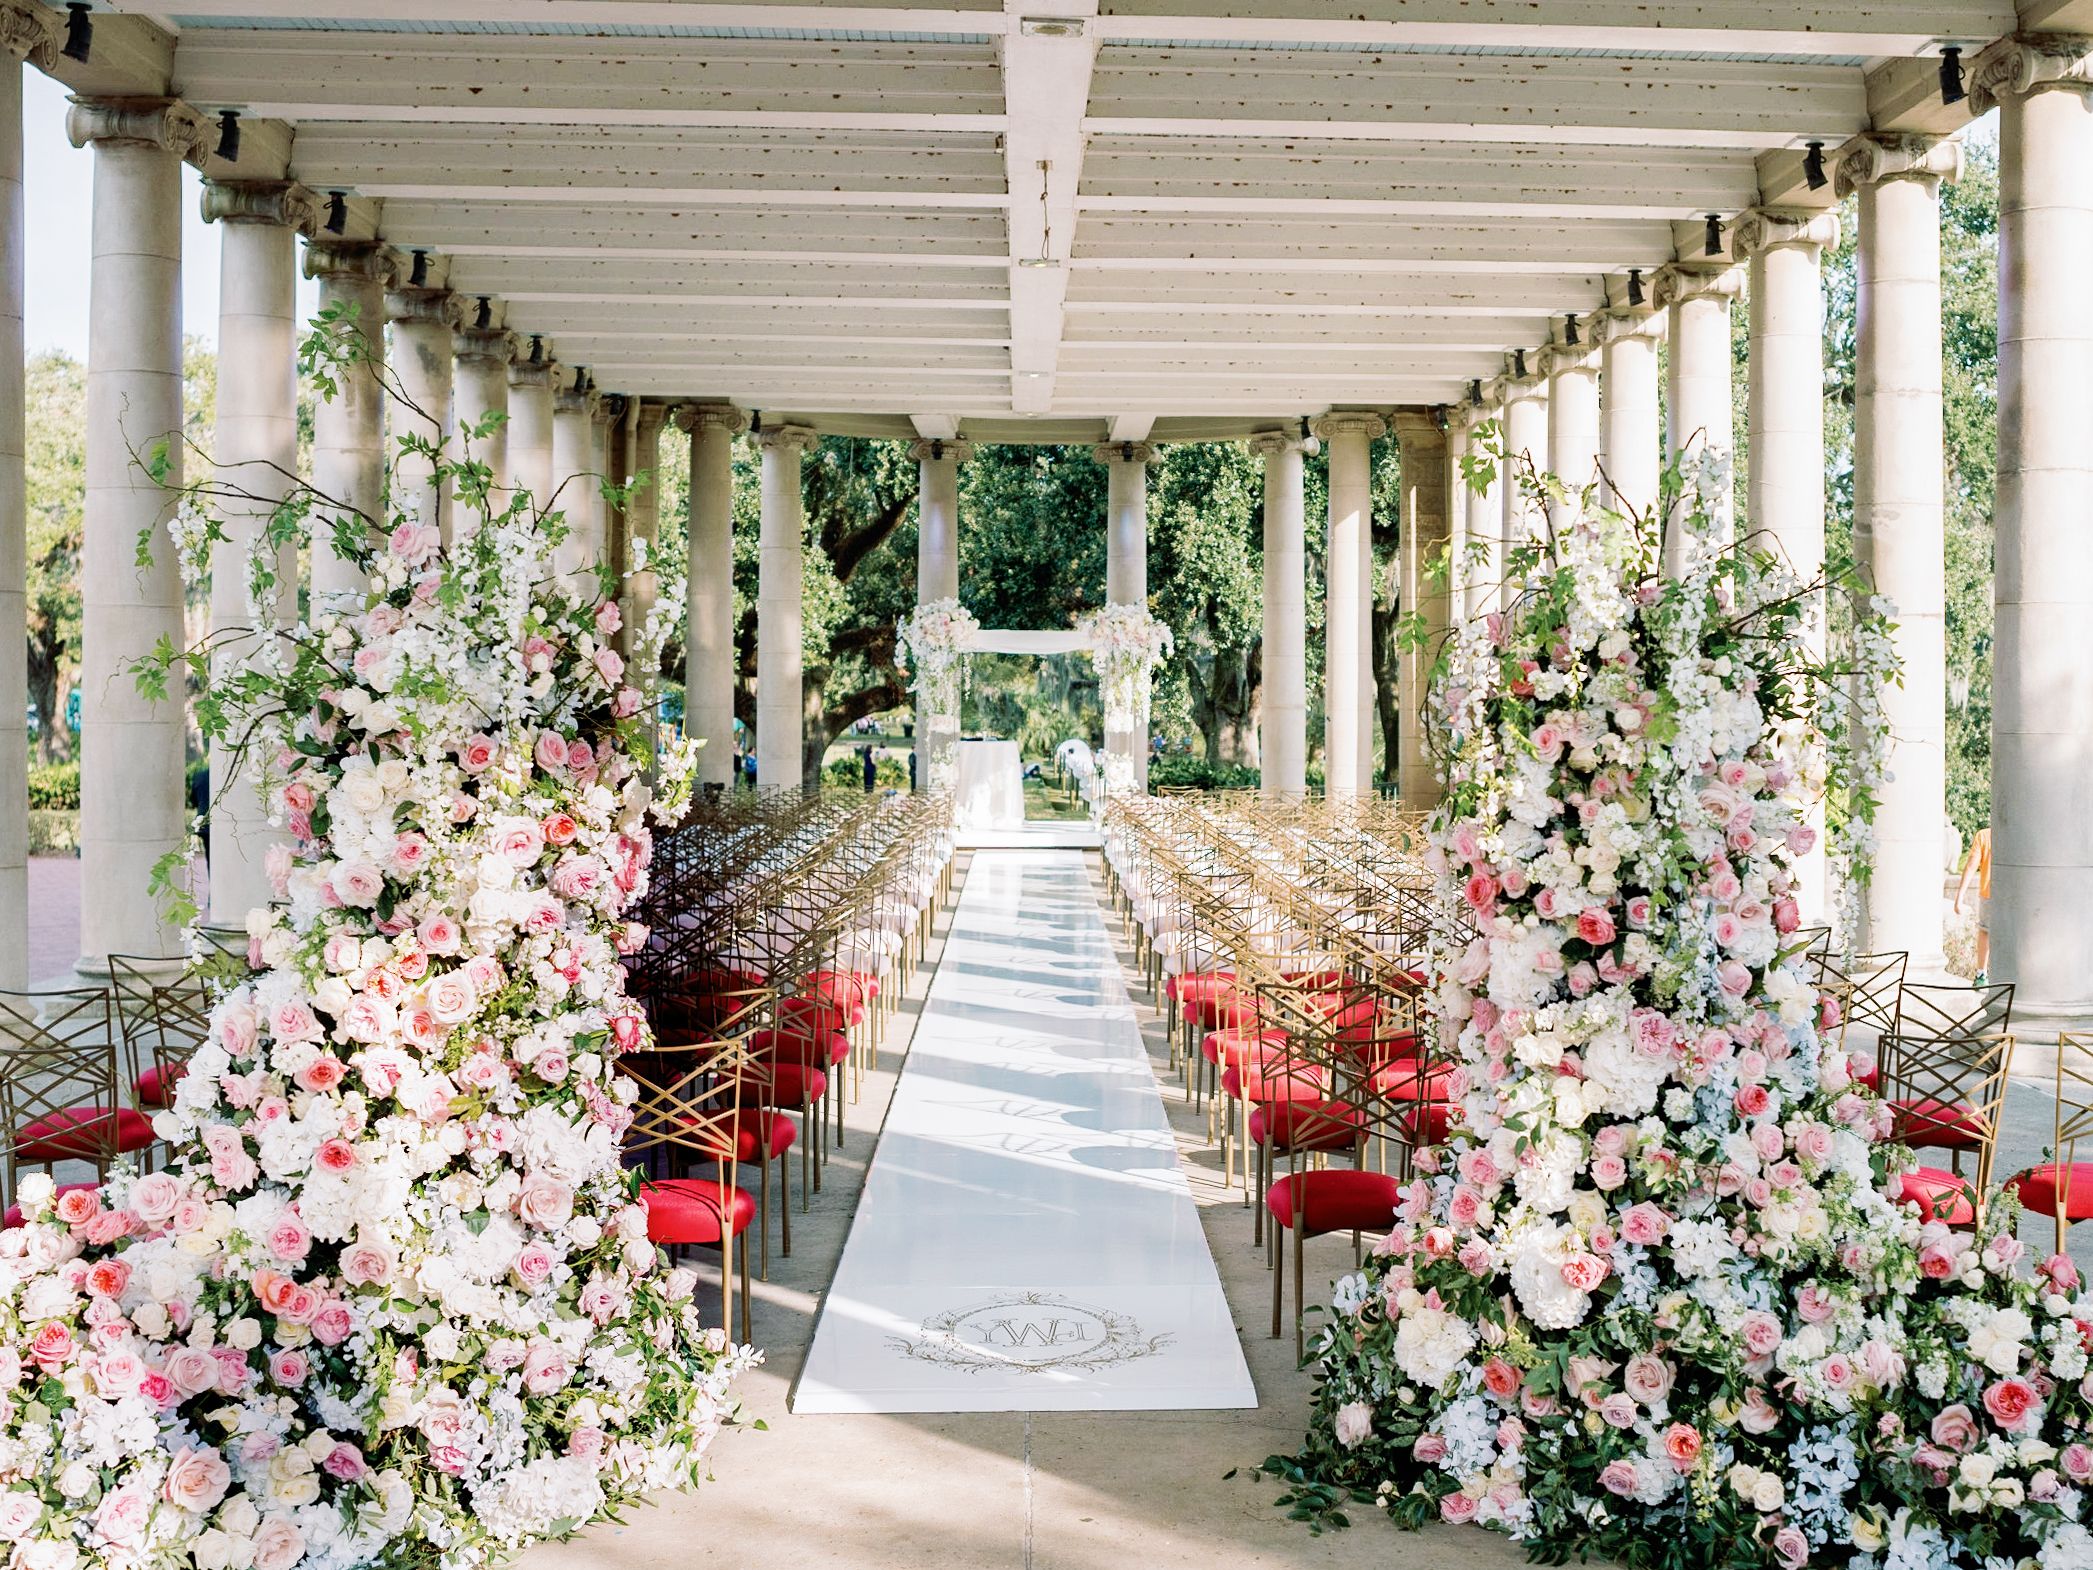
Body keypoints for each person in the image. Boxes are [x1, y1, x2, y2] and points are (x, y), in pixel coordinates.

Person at [1953, 825, 1992, 981]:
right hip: (2013, 895)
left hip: (1989, 893)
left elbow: (1970, 866)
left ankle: (1981, 973)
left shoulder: (1984, 836)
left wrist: (1959, 897)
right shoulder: (2017, 833)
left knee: (1985, 931)